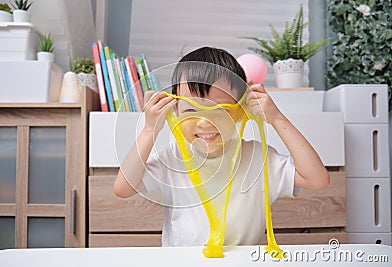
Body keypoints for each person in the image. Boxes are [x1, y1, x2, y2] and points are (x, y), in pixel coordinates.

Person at [114, 46, 330, 247]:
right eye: (191, 111)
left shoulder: (258, 158)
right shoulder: (174, 158)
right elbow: (123, 188)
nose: (205, 123)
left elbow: (317, 179)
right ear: (175, 112)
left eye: (220, 111)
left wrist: (277, 118)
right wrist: (149, 130)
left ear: (241, 110)